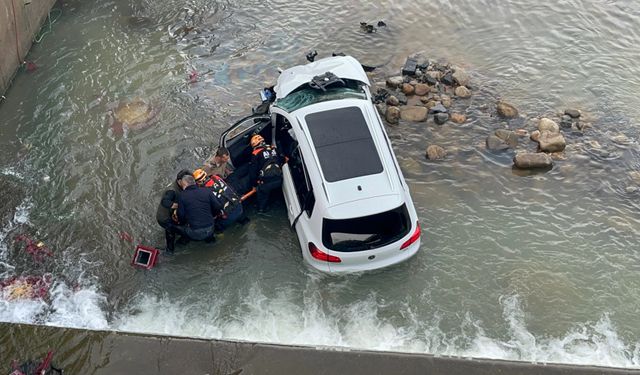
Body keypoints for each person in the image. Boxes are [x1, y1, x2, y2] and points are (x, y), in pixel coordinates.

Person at [176, 175, 223, 242]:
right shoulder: (206, 190)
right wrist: (213, 216)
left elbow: (181, 215)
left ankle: (178, 245)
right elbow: (218, 206)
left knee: (171, 227)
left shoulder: (182, 196)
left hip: (195, 232)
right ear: (194, 182)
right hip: (210, 227)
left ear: (184, 185)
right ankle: (211, 241)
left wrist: (184, 223)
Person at [249, 134, 282, 213]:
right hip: (279, 180)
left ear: (254, 145)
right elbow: (282, 159)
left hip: (266, 183)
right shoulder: (273, 148)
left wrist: (254, 186)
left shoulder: (255, 153)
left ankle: (261, 209)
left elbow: (252, 173)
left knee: (262, 197)